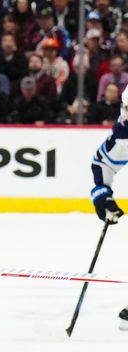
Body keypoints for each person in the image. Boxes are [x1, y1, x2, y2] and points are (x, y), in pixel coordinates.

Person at [89, 86, 127, 330]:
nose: (125, 114)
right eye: (125, 108)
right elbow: (103, 163)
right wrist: (103, 195)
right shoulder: (126, 130)